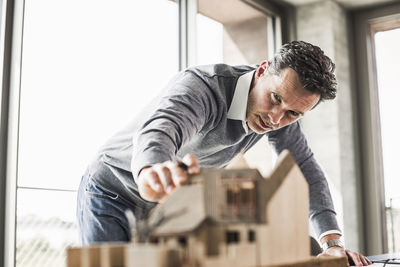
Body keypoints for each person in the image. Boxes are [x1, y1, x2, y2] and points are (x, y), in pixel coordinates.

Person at [77, 40, 371, 266]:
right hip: (111, 190)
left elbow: (305, 170)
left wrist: (332, 241)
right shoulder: (203, 87)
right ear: (262, 70)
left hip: (165, 208)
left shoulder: (281, 115)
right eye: (275, 98)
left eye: (293, 113)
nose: (275, 119)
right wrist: (151, 168)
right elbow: (164, 126)